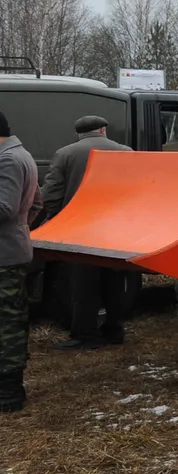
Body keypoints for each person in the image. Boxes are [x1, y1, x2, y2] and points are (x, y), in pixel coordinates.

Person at [39, 116, 133, 349]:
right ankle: (114, 330)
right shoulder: (125, 151)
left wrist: (58, 218)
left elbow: (51, 194)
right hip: (116, 226)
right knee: (114, 279)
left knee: (83, 284)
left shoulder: (65, 154)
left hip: (81, 227)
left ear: (78, 134)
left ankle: (86, 335)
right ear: (103, 130)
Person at [0, 109, 42, 413]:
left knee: (7, 325)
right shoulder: (20, 154)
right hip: (11, 249)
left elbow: (4, 208)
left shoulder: (9, 160)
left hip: (4, 256)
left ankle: (9, 392)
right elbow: (37, 203)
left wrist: (15, 232)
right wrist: (22, 229)